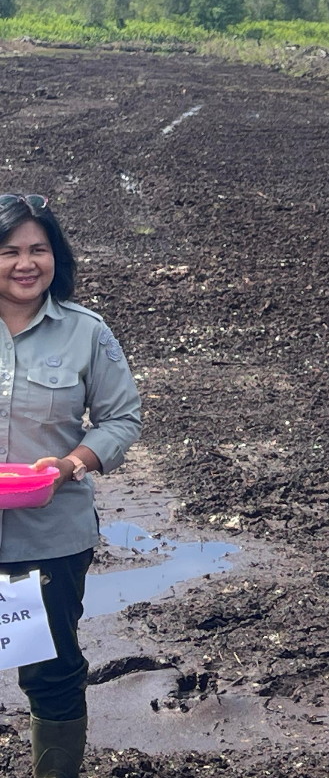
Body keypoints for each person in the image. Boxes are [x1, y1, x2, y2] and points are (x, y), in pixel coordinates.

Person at [0, 193, 141, 778]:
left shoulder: (86, 332)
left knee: (50, 670)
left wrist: (70, 465)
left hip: (49, 536)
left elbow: (121, 417)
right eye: (9, 251)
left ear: (57, 257)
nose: (25, 263)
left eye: (39, 249)